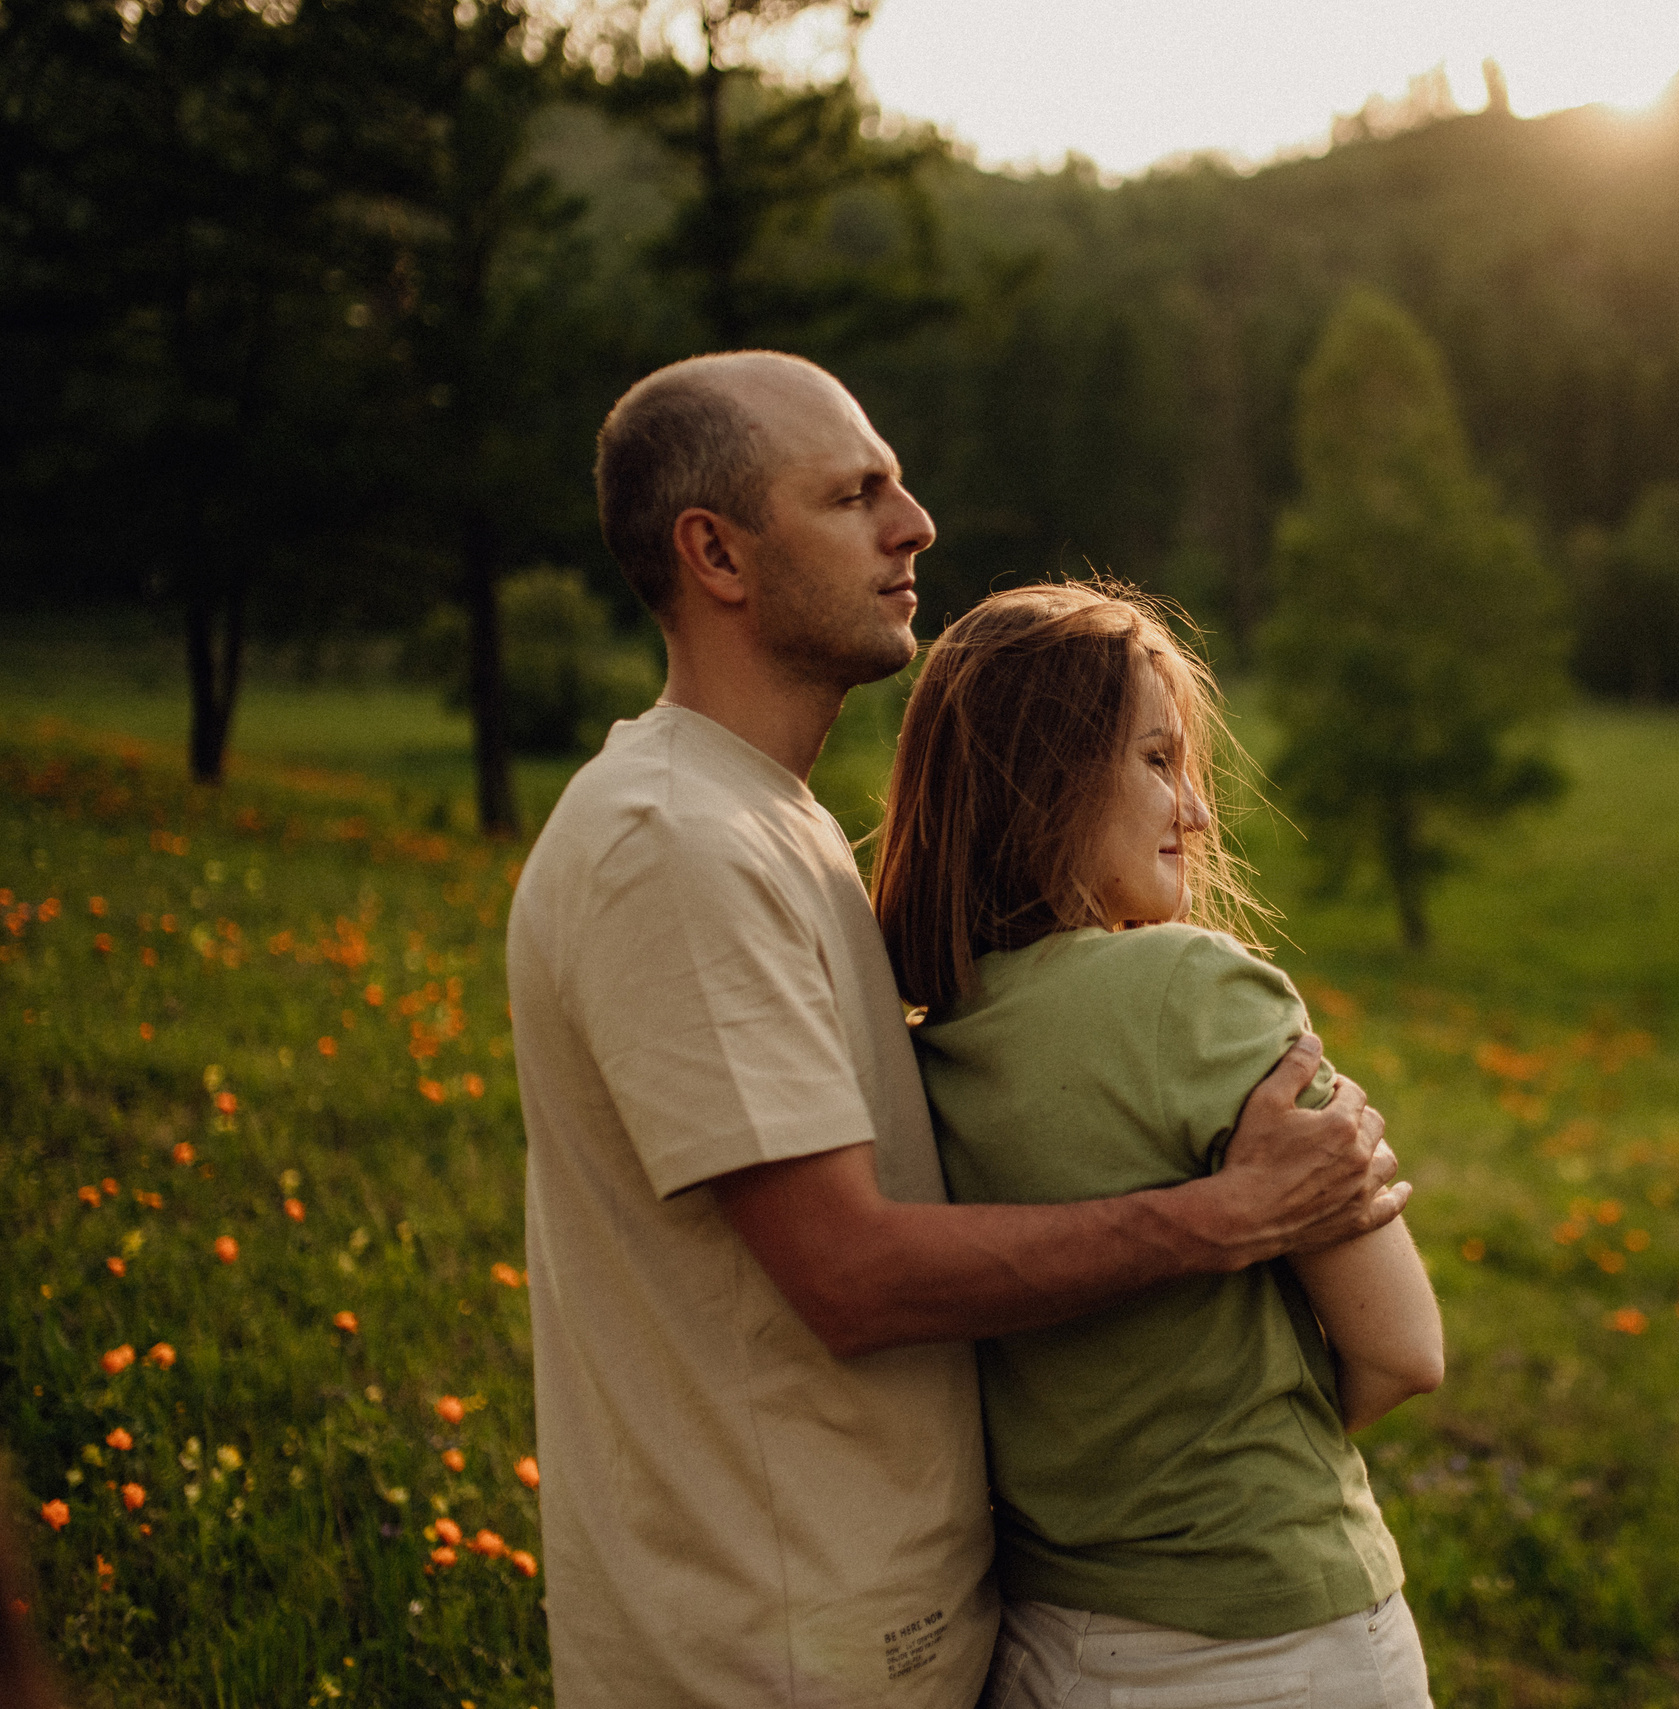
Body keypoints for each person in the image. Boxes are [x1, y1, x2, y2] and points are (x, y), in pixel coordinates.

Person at [509, 350, 1407, 1709]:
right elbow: (849, 1275)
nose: (915, 521)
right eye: (856, 493)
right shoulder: (673, 840)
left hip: (896, 1633)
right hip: (774, 1652)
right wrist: (1231, 1218)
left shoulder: (775, 824)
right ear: (718, 554)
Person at [872, 583, 1444, 1709]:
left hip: (1039, 1642)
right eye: (1154, 759)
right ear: (1045, 774)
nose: (1193, 806)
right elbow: (1404, 1350)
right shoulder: (1194, 989)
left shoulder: (919, 1049)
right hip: (1273, 1636)